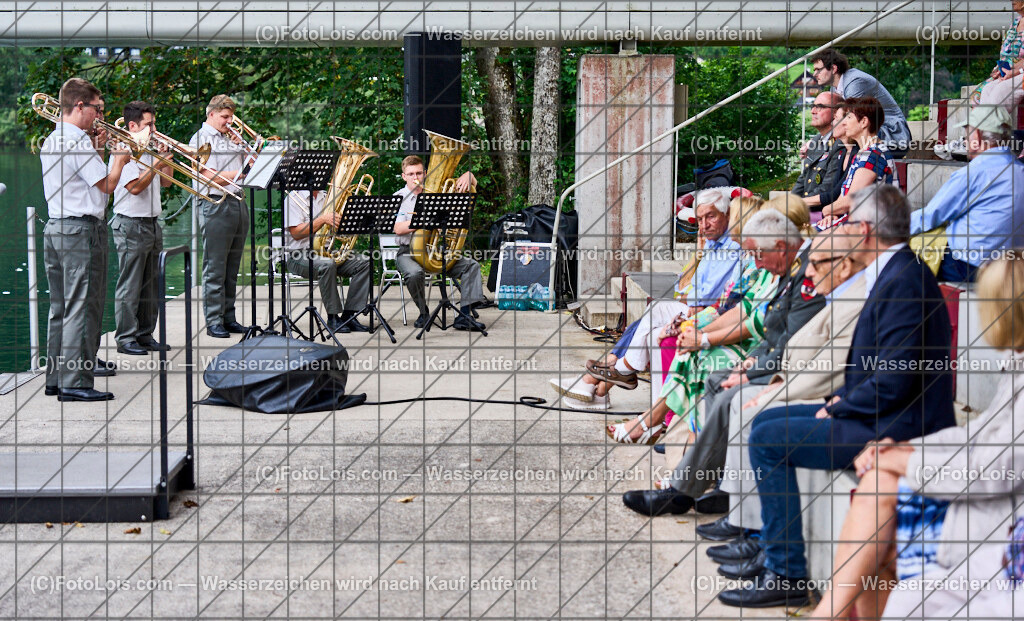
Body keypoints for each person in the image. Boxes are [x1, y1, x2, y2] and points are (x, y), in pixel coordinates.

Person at [717, 185, 957, 609]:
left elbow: (894, 382)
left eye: (847, 222)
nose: (841, 228)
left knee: (769, 439)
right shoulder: (898, 271)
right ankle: (773, 552)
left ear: (864, 230)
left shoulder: (904, 279)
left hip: (897, 426)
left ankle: (785, 572)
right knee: (768, 423)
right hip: (879, 413)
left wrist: (838, 405)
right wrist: (841, 400)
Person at [808, 254, 1024, 621]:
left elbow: (995, 468)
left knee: (879, 507)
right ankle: (832, 613)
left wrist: (905, 459)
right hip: (989, 501)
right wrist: (905, 450)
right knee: (878, 503)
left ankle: (829, 613)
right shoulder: (1017, 363)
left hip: (1000, 520)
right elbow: (979, 436)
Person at [621, 198, 825, 516]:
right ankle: (699, 479)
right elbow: (766, 325)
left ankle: (686, 484)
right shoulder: (784, 267)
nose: (755, 262)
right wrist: (702, 334)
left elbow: (783, 337)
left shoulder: (808, 273)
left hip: (797, 371)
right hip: (768, 354)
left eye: (758, 253)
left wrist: (746, 363)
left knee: (720, 378)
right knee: (709, 369)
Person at [700, 229, 868, 580]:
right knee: (743, 402)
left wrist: (771, 391)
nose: (807, 271)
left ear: (846, 264)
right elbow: (782, 340)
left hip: (830, 399)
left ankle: (772, 552)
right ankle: (749, 528)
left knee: (756, 415)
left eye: (816, 263)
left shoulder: (853, 296)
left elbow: (827, 369)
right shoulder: (835, 290)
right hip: (800, 382)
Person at [552, 189, 743, 411]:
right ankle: (603, 385)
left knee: (653, 315)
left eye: (711, 217)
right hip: (695, 307)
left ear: (726, 215)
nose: (704, 225)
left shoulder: (731, 247)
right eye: (699, 219)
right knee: (643, 323)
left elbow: (700, 297)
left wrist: (688, 296)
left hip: (711, 315)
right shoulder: (710, 242)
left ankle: (603, 376)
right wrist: (698, 256)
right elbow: (683, 287)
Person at [41, 77, 131, 401]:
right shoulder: (76, 139)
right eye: (98, 109)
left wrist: (100, 148)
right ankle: (76, 383)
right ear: (80, 105)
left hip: (56, 229)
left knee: (60, 308)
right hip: (80, 232)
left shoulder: (55, 137)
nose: (100, 117)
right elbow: (106, 185)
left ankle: (56, 378)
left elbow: (80, 178)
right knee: (83, 306)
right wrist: (119, 158)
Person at [911, 106, 1024, 282]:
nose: (965, 140)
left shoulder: (976, 172)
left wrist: (888, 230)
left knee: (902, 257)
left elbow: (932, 215)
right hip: (1013, 265)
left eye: (967, 135)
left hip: (970, 266)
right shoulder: (1019, 170)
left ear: (977, 136)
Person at [392, 155, 486, 332]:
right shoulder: (399, 198)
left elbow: (471, 184)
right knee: (414, 274)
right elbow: (398, 228)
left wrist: (469, 175)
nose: (415, 177)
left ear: (425, 173)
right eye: (411, 173)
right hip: (408, 252)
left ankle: (464, 316)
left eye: (419, 172)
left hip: (436, 251)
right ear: (404, 176)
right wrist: (424, 220)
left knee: (471, 266)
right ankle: (423, 313)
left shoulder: (438, 194)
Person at [109, 101, 172, 356]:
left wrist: (166, 159)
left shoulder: (149, 150)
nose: (154, 129)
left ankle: (145, 334)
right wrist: (156, 165)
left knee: (151, 283)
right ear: (132, 126)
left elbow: (167, 182)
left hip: (152, 222)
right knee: (130, 284)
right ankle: (126, 338)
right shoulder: (122, 151)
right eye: (149, 124)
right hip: (130, 224)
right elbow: (134, 188)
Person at [188, 94, 250, 339]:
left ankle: (229, 316)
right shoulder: (200, 139)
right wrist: (242, 173)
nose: (229, 121)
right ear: (211, 114)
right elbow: (208, 176)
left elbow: (253, 165)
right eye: (225, 117)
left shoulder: (231, 138)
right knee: (215, 266)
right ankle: (214, 320)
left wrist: (244, 147)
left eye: (231, 117)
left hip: (236, 201)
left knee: (232, 266)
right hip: (214, 202)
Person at [283, 190, 371, 333]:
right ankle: (333, 318)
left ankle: (350, 316)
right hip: (298, 255)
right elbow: (296, 233)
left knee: (364, 262)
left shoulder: (328, 196)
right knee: (327, 265)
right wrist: (322, 219)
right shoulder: (293, 198)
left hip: (326, 251)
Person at [811, 49, 912, 158]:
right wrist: (815, 142)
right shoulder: (835, 88)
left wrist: (816, 144)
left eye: (818, 69)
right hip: (874, 132)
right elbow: (833, 120)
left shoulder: (855, 82)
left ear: (833, 68)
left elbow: (851, 120)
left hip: (893, 136)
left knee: (847, 134)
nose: (814, 74)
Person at [822, 97, 900, 222]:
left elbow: (849, 201)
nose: (844, 123)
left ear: (864, 122)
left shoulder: (873, 154)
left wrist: (826, 210)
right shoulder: (864, 153)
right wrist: (834, 214)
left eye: (849, 117)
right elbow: (845, 198)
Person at [792, 92, 852, 213]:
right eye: (813, 106)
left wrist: (796, 206)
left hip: (822, 211)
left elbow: (827, 189)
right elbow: (803, 179)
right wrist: (790, 202)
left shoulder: (841, 144)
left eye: (820, 106)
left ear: (836, 113)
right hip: (806, 208)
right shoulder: (816, 141)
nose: (813, 111)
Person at [969, 1, 1024, 113]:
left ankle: (991, 127)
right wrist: (997, 70)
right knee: (976, 97)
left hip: (1018, 72)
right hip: (1005, 72)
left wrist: (1016, 70)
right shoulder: (1015, 23)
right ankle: (982, 128)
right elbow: (1004, 51)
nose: (1012, 1)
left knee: (996, 93)